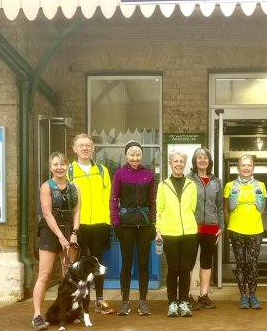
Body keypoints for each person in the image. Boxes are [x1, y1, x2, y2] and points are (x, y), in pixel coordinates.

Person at [31, 152, 81, 331]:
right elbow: (47, 214)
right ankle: (37, 315)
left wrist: (74, 234)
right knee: (44, 274)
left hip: (69, 230)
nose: (59, 167)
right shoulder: (46, 186)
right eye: (55, 164)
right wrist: (60, 237)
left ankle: (69, 311)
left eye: (62, 164)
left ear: (67, 166)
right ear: (50, 167)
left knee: (69, 274)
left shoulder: (75, 186)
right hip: (50, 231)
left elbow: (77, 212)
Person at [69, 133, 114, 314]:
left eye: (88, 145)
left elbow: (108, 198)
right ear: (75, 149)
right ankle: (78, 303)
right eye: (81, 145)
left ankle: (100, 300)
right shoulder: (69, 171)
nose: (85, 148)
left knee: (98, 264)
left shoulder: (102, 170)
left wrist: (107, 221)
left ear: (93, 148)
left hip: (99, 225)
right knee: (78, 265)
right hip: (78, 226)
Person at [110, 141, 156, 316]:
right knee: (126, 264)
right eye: (131, 154)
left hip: (144, 225)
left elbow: (152, 202)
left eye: (138, 154)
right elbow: (114, 199)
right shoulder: (119, 174)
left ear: (141, 156)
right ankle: (125, 302)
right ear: (126, 155)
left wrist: (153, 224)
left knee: (143, 264)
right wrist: (115, 222)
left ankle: (143, 301)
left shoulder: (148, 175)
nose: (135, 157)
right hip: (126, 225)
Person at [156, 150, 198, 317]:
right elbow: (160, 209)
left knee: (185, 269)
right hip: (169, 232)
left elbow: (192, 208)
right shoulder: (163, 185)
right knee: (173, 269)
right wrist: (158, 228)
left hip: (189, 232)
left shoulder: (191, 185)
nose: (179, 164)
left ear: (184, 164)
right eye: (176, 161)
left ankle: (184, 302)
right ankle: (173, 302)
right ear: (170, 164)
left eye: (181, 161)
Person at [224, 154, 267, 309]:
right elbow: (226, 209)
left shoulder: (260, 185)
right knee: (241, 263)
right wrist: (231, 226)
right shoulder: (230, 185)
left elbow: (262, 208)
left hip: (255, 229)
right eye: (243, 165)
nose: (246, 168)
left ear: (253, 167)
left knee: (253, 263)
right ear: (238, 168)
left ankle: (253, 296)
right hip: (236, 230)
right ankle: (243, 296)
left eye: (249, 165)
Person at [187, 147, 224, 309]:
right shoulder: (188, 179)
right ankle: (186, 295)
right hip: (192, 227)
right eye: (199, 157)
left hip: (211, 227)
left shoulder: (216, 181)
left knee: (206, 262)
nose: (202, 160)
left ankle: (204, 295)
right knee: (188, 263)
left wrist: (221, 226)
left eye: (205, 157)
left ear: (209, 161)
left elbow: (220, 206)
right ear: (195, 161)